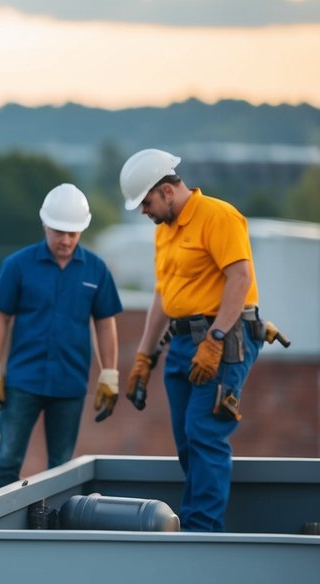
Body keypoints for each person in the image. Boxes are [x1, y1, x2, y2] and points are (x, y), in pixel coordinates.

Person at [120, 149, 262, 532]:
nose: (144, 211)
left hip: (225, 338)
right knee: (186, 441)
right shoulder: (165, 232)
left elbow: (240, 278)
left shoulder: (218, 216)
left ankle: (202, 533)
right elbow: (162, 296)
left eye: (146, 202)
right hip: (183, 343)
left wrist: (215, 340)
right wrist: (143, 358)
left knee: (205, 433)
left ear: (167, 191)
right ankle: (197, 525)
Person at [0, 183, 123, 491]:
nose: (66, 240)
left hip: (69, 384)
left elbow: (105, 322)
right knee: (7, 459)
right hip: (22, 382)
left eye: (73, 233)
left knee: (61, 466)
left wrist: (109, 373)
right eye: (59, 231)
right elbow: (0, 317)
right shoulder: (17, 265)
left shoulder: (96, 270)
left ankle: (55, 532)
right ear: (45, 224)